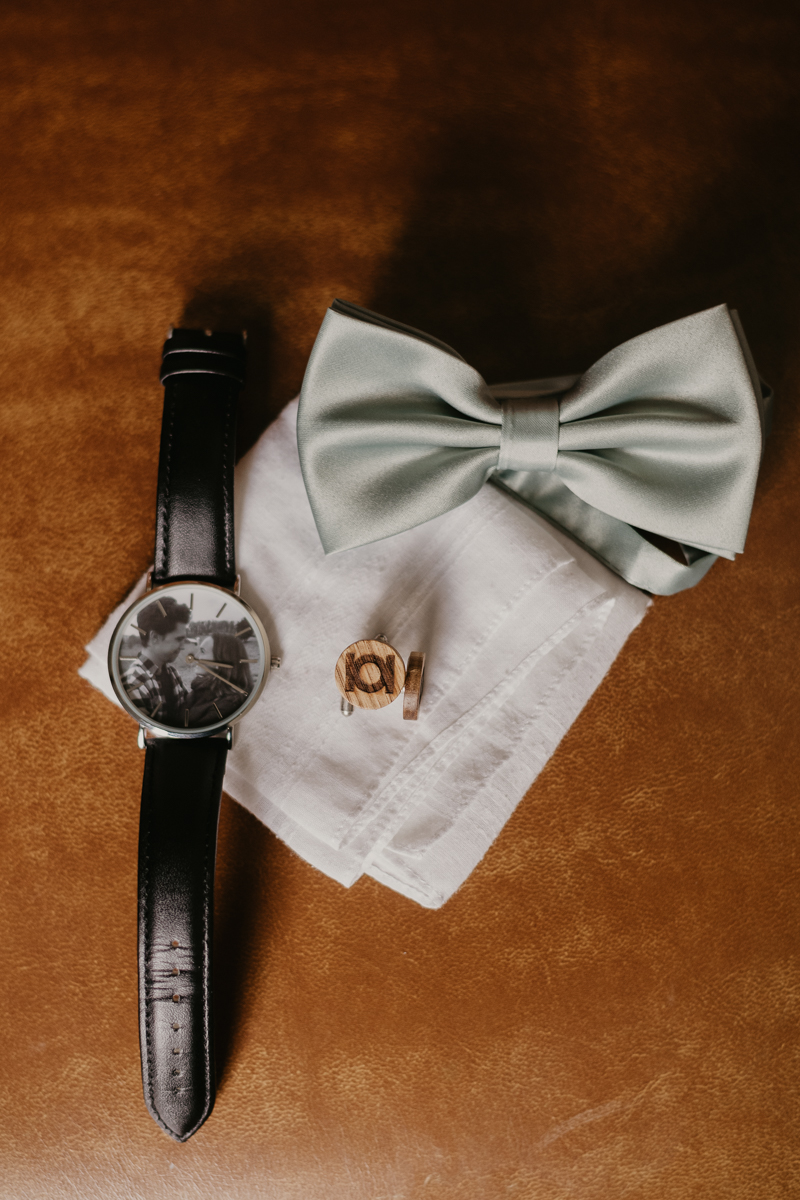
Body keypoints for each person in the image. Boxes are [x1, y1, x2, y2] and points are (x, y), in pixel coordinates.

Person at [121, 597, 190, 725]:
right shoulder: (134, 683)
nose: (182, 645)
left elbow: (187, 711)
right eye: (178, 639)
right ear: (155, 637)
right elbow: (150, 733)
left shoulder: (171, 672)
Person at [186, 631, 253, 726]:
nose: (195, 656)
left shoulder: (227, 706)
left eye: (202, 651)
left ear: (222, 660)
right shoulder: (202, 689)